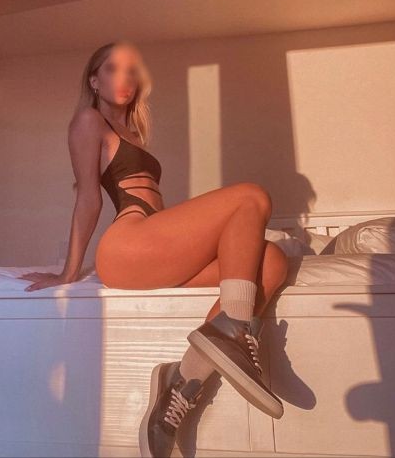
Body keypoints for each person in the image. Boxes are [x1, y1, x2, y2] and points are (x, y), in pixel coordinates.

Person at [18, 39, 289, 458]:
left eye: (131, 70)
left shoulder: (133, 133)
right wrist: (68, 272)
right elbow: (88, 198)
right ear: (94, 80)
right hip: (126, 246)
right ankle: (235, 327)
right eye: (112, 69)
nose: (124, 77)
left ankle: (178, 389)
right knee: (251, 197)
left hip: (152, 246)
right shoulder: (89, 121)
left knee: (272, 260)